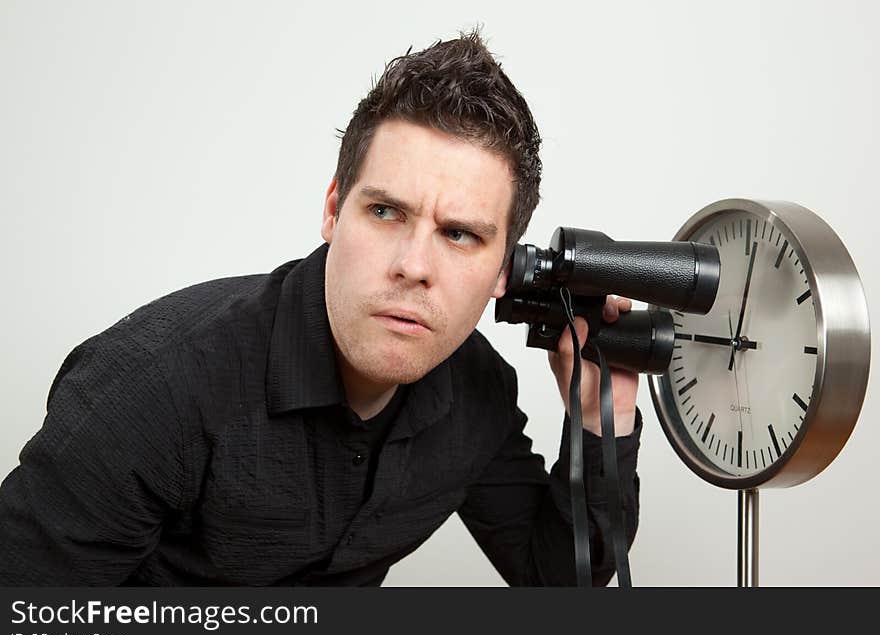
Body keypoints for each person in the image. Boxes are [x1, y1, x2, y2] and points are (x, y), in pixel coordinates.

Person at [0, 28, 641, 586]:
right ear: (334, 209)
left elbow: (557, 577)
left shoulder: (476, 392)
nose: (413, 266)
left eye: (460, 234)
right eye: (386, 211)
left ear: (504, 267)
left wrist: (597, 417)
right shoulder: (155, 388)